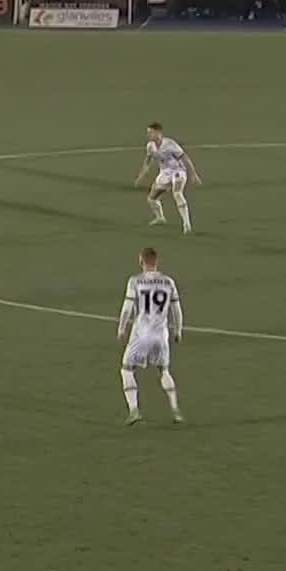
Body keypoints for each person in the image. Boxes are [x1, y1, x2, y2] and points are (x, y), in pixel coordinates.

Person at [116, 247, 183, 426]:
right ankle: (175, 409)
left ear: (141, 261)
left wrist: (121, 328)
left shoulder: (135, 281)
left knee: (127, 368)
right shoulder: (168, 282)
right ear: (156, 262)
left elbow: (127, 307)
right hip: (162, 334)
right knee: (164, 370)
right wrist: (178, 330)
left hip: (142, 333)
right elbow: (176, 309)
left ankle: (134, 410)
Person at [135, 123, 200, 235]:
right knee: (151, 199)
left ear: (158, 133)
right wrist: (142, 174)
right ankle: (160, 218)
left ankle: (186, 224)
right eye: (148, 133)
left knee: (177, 193)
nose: (148, 135)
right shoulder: (150, 145)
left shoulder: (170, 144)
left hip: (178, 171)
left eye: (151, 132)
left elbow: (184, 157)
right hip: (165, 173)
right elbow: (148, 160)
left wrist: (193, 173)